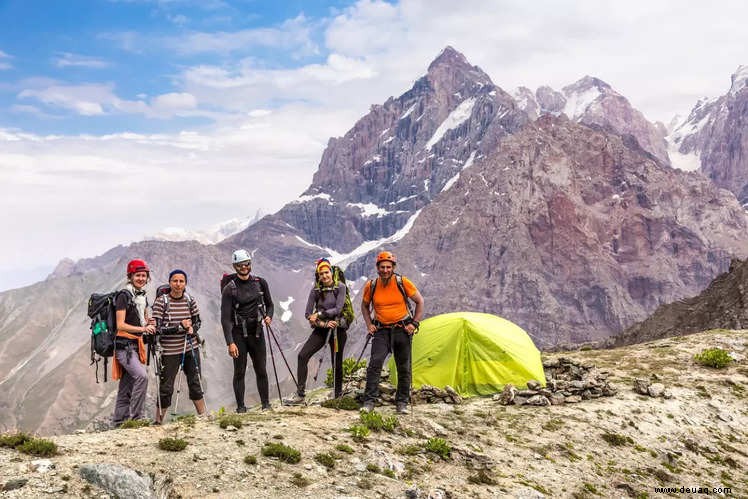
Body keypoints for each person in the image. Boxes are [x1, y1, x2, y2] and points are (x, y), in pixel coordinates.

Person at [361, 251, 424, 414]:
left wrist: (414, 323)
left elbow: (419, 301)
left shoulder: (402, 282)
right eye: (382, 267)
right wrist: (369, 324)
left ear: (393, 267)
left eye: (388, 267)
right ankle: (369, 402)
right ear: (377, 268)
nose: (385, 270)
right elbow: (364, 306)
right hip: (381, 330)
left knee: (403, 367)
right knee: (375, 364)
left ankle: (402, 402)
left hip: (402, 329)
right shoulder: (371, 285)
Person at [285, 259, 348, 405]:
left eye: (326, 272)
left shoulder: (341, 287)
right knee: (302, 356)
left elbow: (338, 309)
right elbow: (308, 314)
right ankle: (300, 394)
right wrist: (324, 323)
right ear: (318, 276)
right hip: (322, 329)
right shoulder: (316, 290)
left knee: (336, 362)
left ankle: (337, 394)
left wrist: (319, 315)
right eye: (321, 274)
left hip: (338, 330)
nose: (324, 276)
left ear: (331, 272)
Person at [221, 249, 274, 412]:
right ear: (235, 266)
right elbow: (225, 318)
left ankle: (266, 404)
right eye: (240, 265)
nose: (244, 267)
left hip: (257, 331)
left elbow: (270, 304)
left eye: (247, 264)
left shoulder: (260, 283)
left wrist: (269, 317)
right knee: (239, 371)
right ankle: (241, 407)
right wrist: (230, 342)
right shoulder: (230, 289)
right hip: (238, 334)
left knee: (261, 369)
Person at [151, 269, 205, 424]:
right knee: (166, 386)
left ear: (185, 283)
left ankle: (203, 416)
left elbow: (197, 321)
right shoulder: (162, 302)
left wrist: (193, 329)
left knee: (195, 381)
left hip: (190, 346)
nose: (178, 284)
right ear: (169, 282)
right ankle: (158, 421)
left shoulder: (190, 300)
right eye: (175, 281)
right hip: (169, 351)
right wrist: (179, 327)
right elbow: (156, 329)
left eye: (181, 281)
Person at [111, 259, 156, 426]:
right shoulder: (124, 295)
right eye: (138, 275)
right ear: (130, 276)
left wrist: (149, 323)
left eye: (144, 276)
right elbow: (120, 324)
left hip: (135, 346)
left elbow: (142, 320)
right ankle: (136, 419)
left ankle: (118, 423)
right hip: (124, 347)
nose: (141, 278)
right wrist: (144, 330)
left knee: (126, 387)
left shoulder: (141, 296)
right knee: (142, 377)